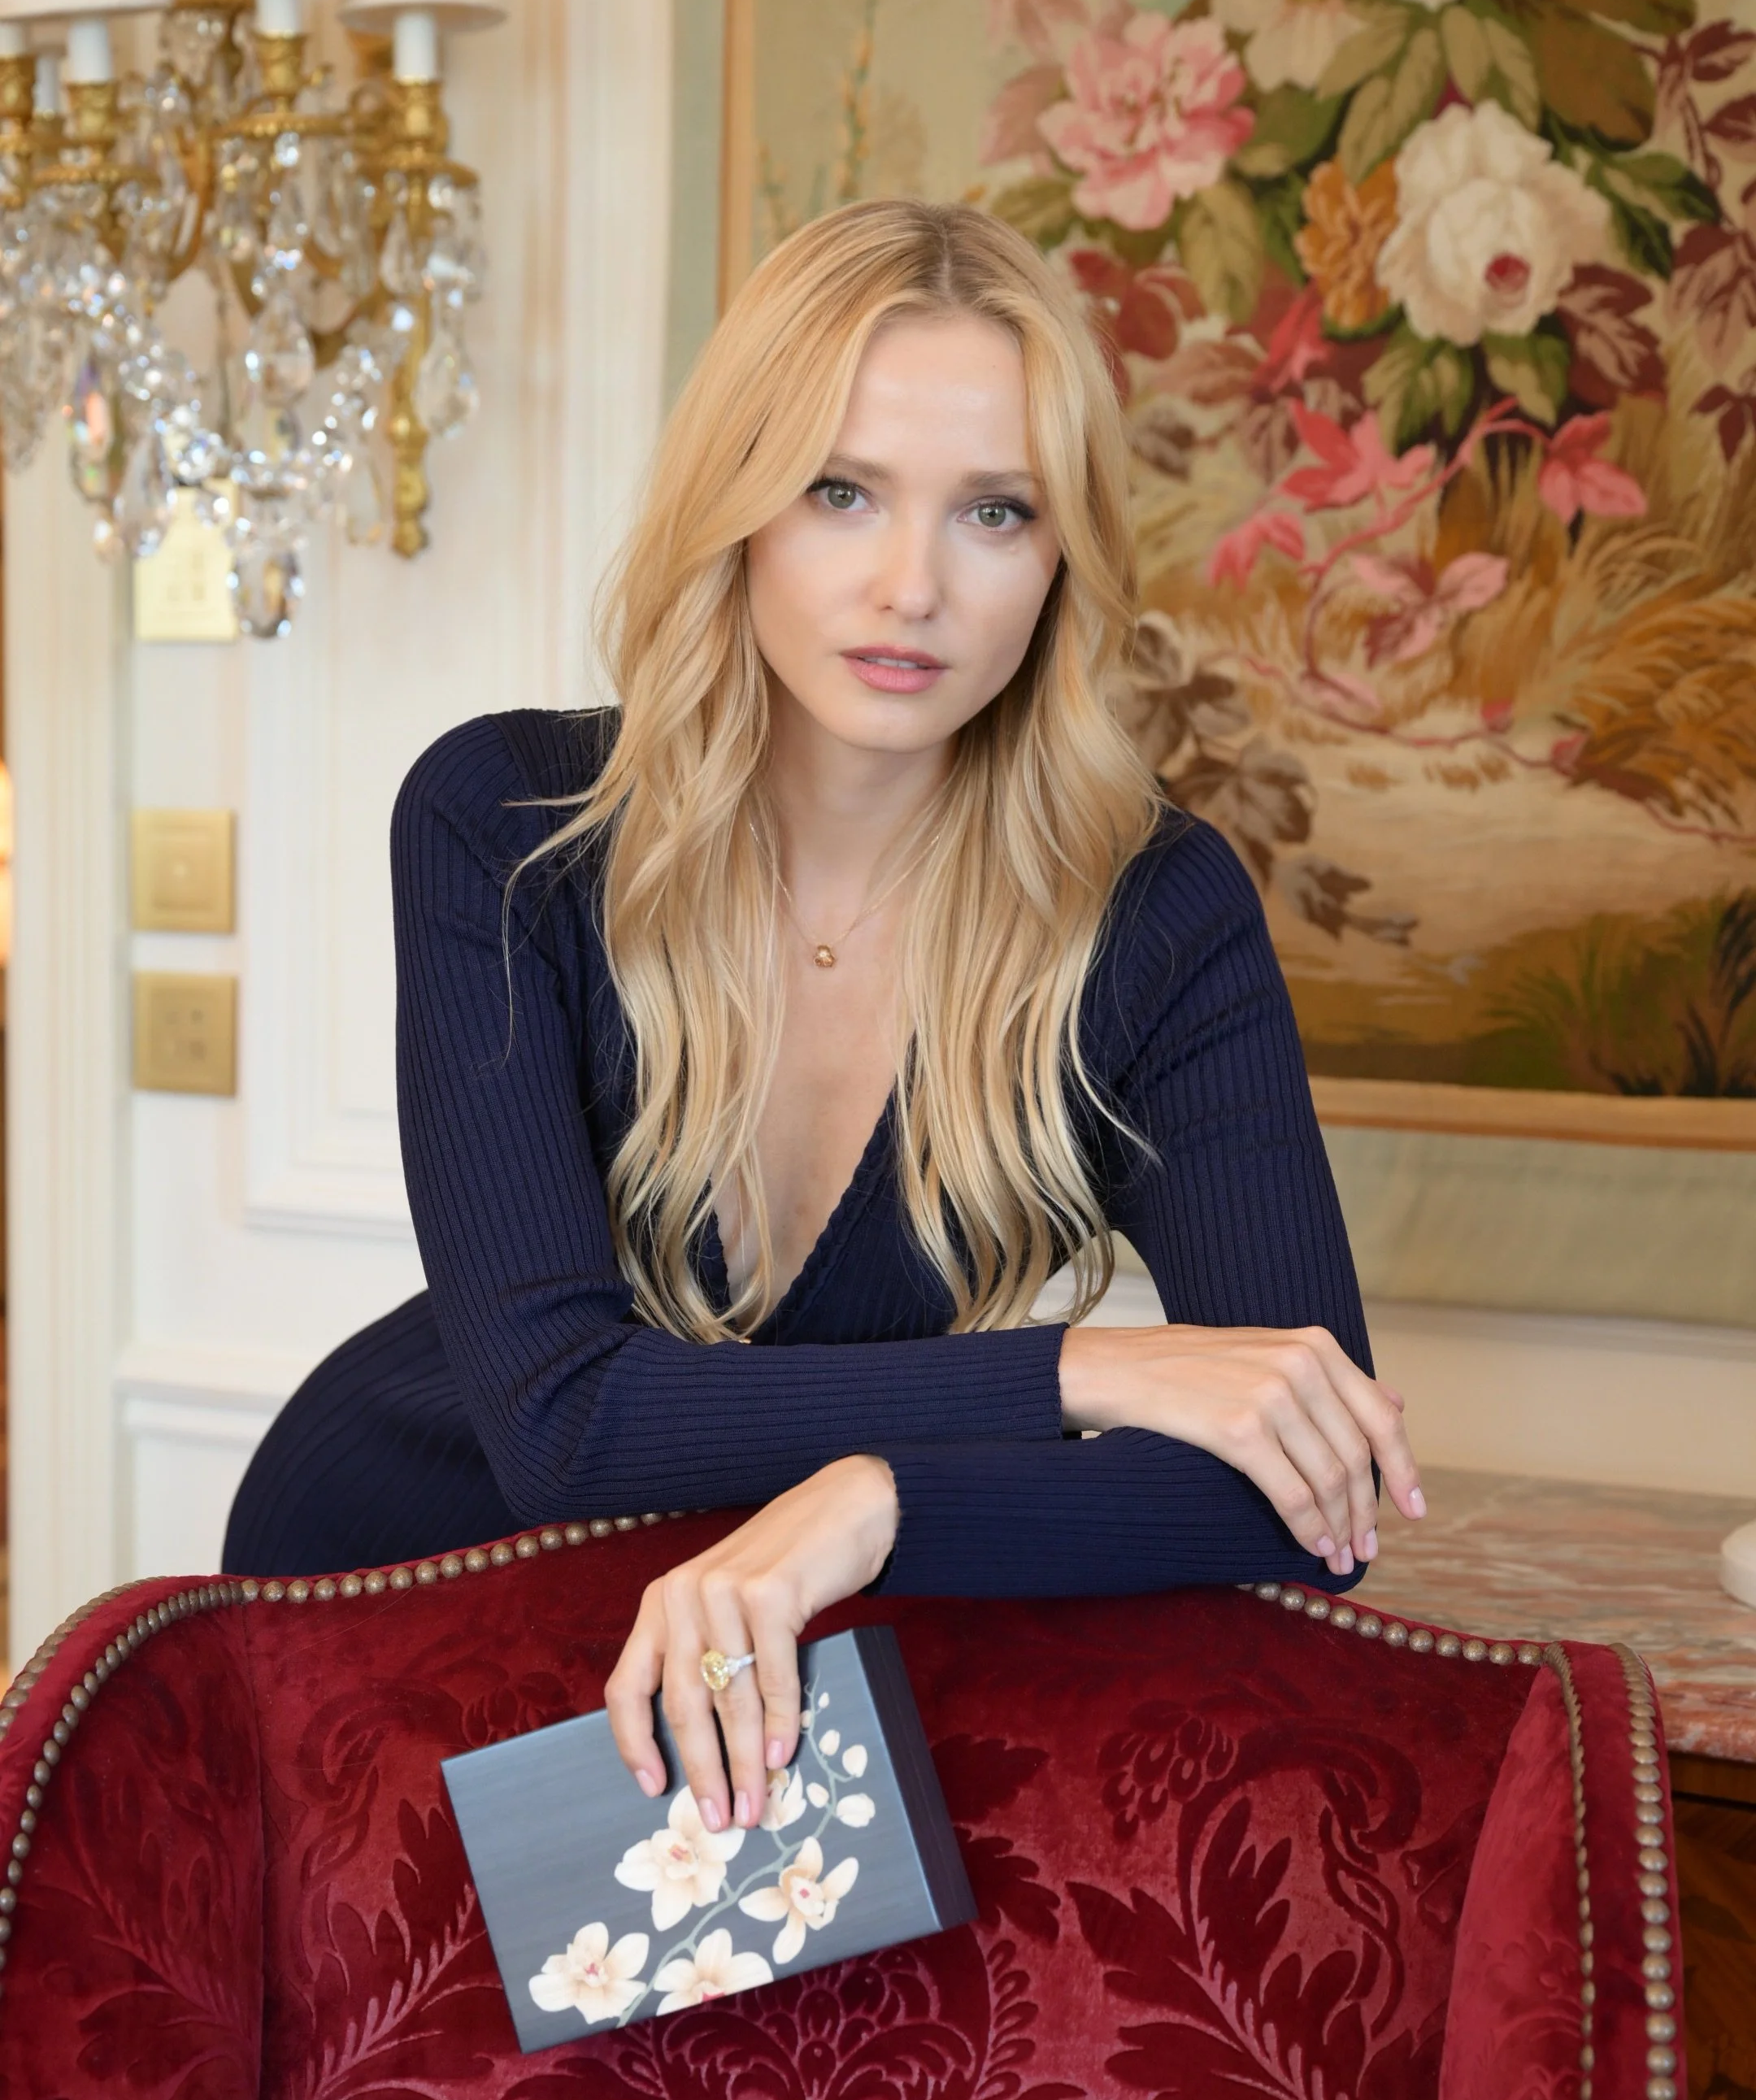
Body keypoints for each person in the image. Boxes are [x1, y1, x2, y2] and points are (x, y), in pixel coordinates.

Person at [224, 198, 1423, 1840]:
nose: (911, 584)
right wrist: (1082, 1373)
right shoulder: (506, 825)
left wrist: (868, 1504)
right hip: (397, 1593)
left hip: (760, 1646)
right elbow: (566, 1429)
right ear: (741, 507)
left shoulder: (1154, 912)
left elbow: (1314, 1484)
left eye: (995, 511)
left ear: (1061, 552)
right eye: (841, 491)